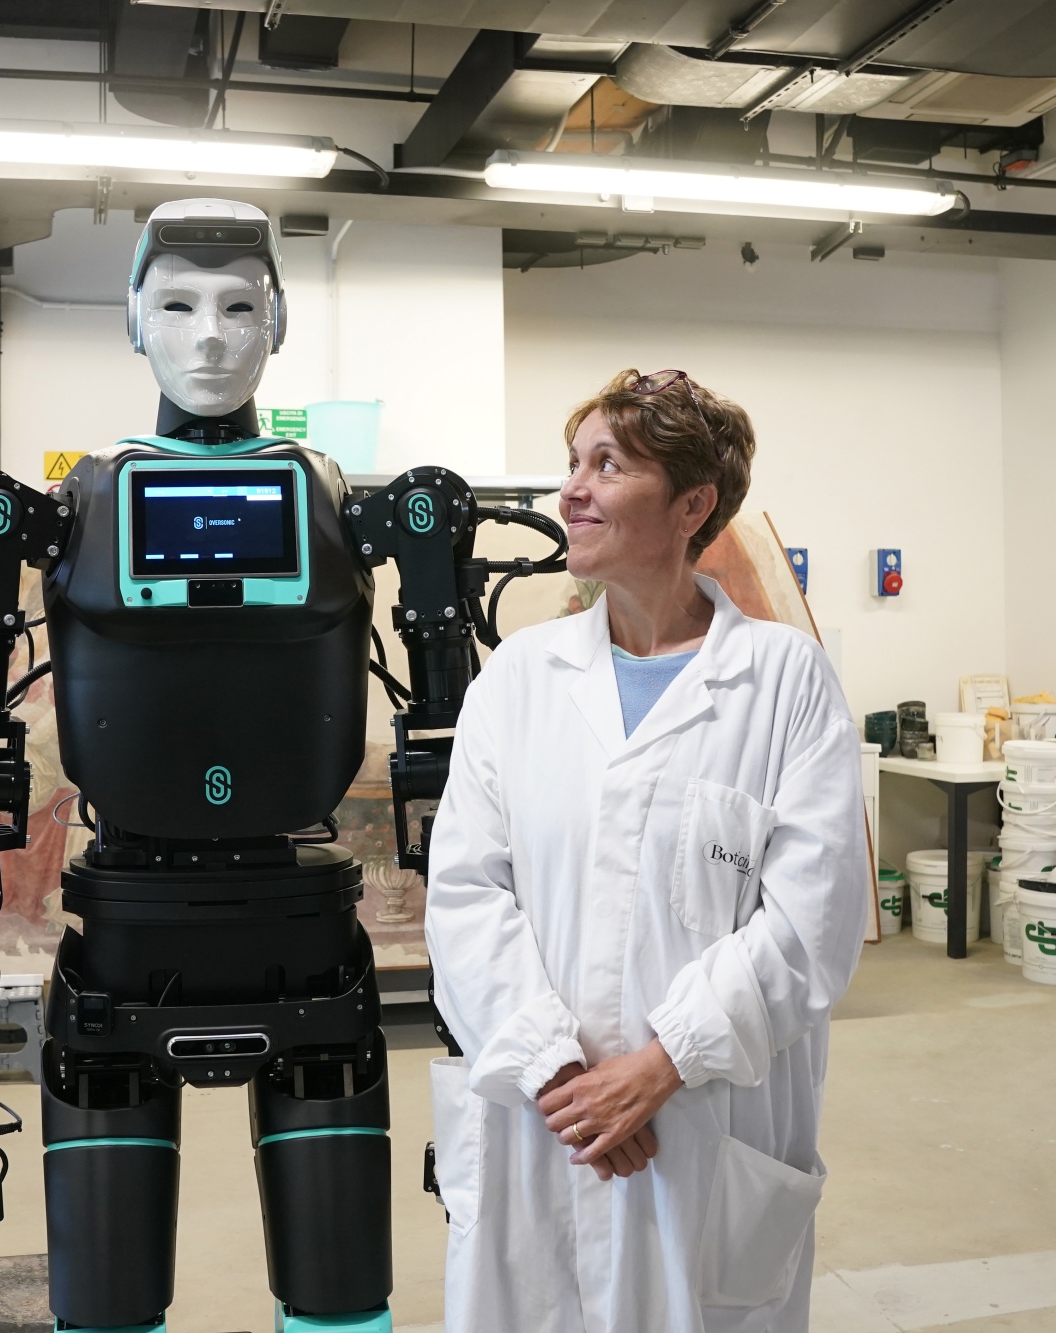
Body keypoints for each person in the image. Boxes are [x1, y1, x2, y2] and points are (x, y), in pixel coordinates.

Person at [424, 368, 867, 1332]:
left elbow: (812, 922)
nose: (570, 491)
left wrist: (662, 1064)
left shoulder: (783, 680)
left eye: (608, 464)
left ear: (692, 504)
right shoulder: (519, 681)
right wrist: (555, 1068)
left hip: (702, 1127)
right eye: (571, 464)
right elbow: (464, 893)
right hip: (549, 1126)